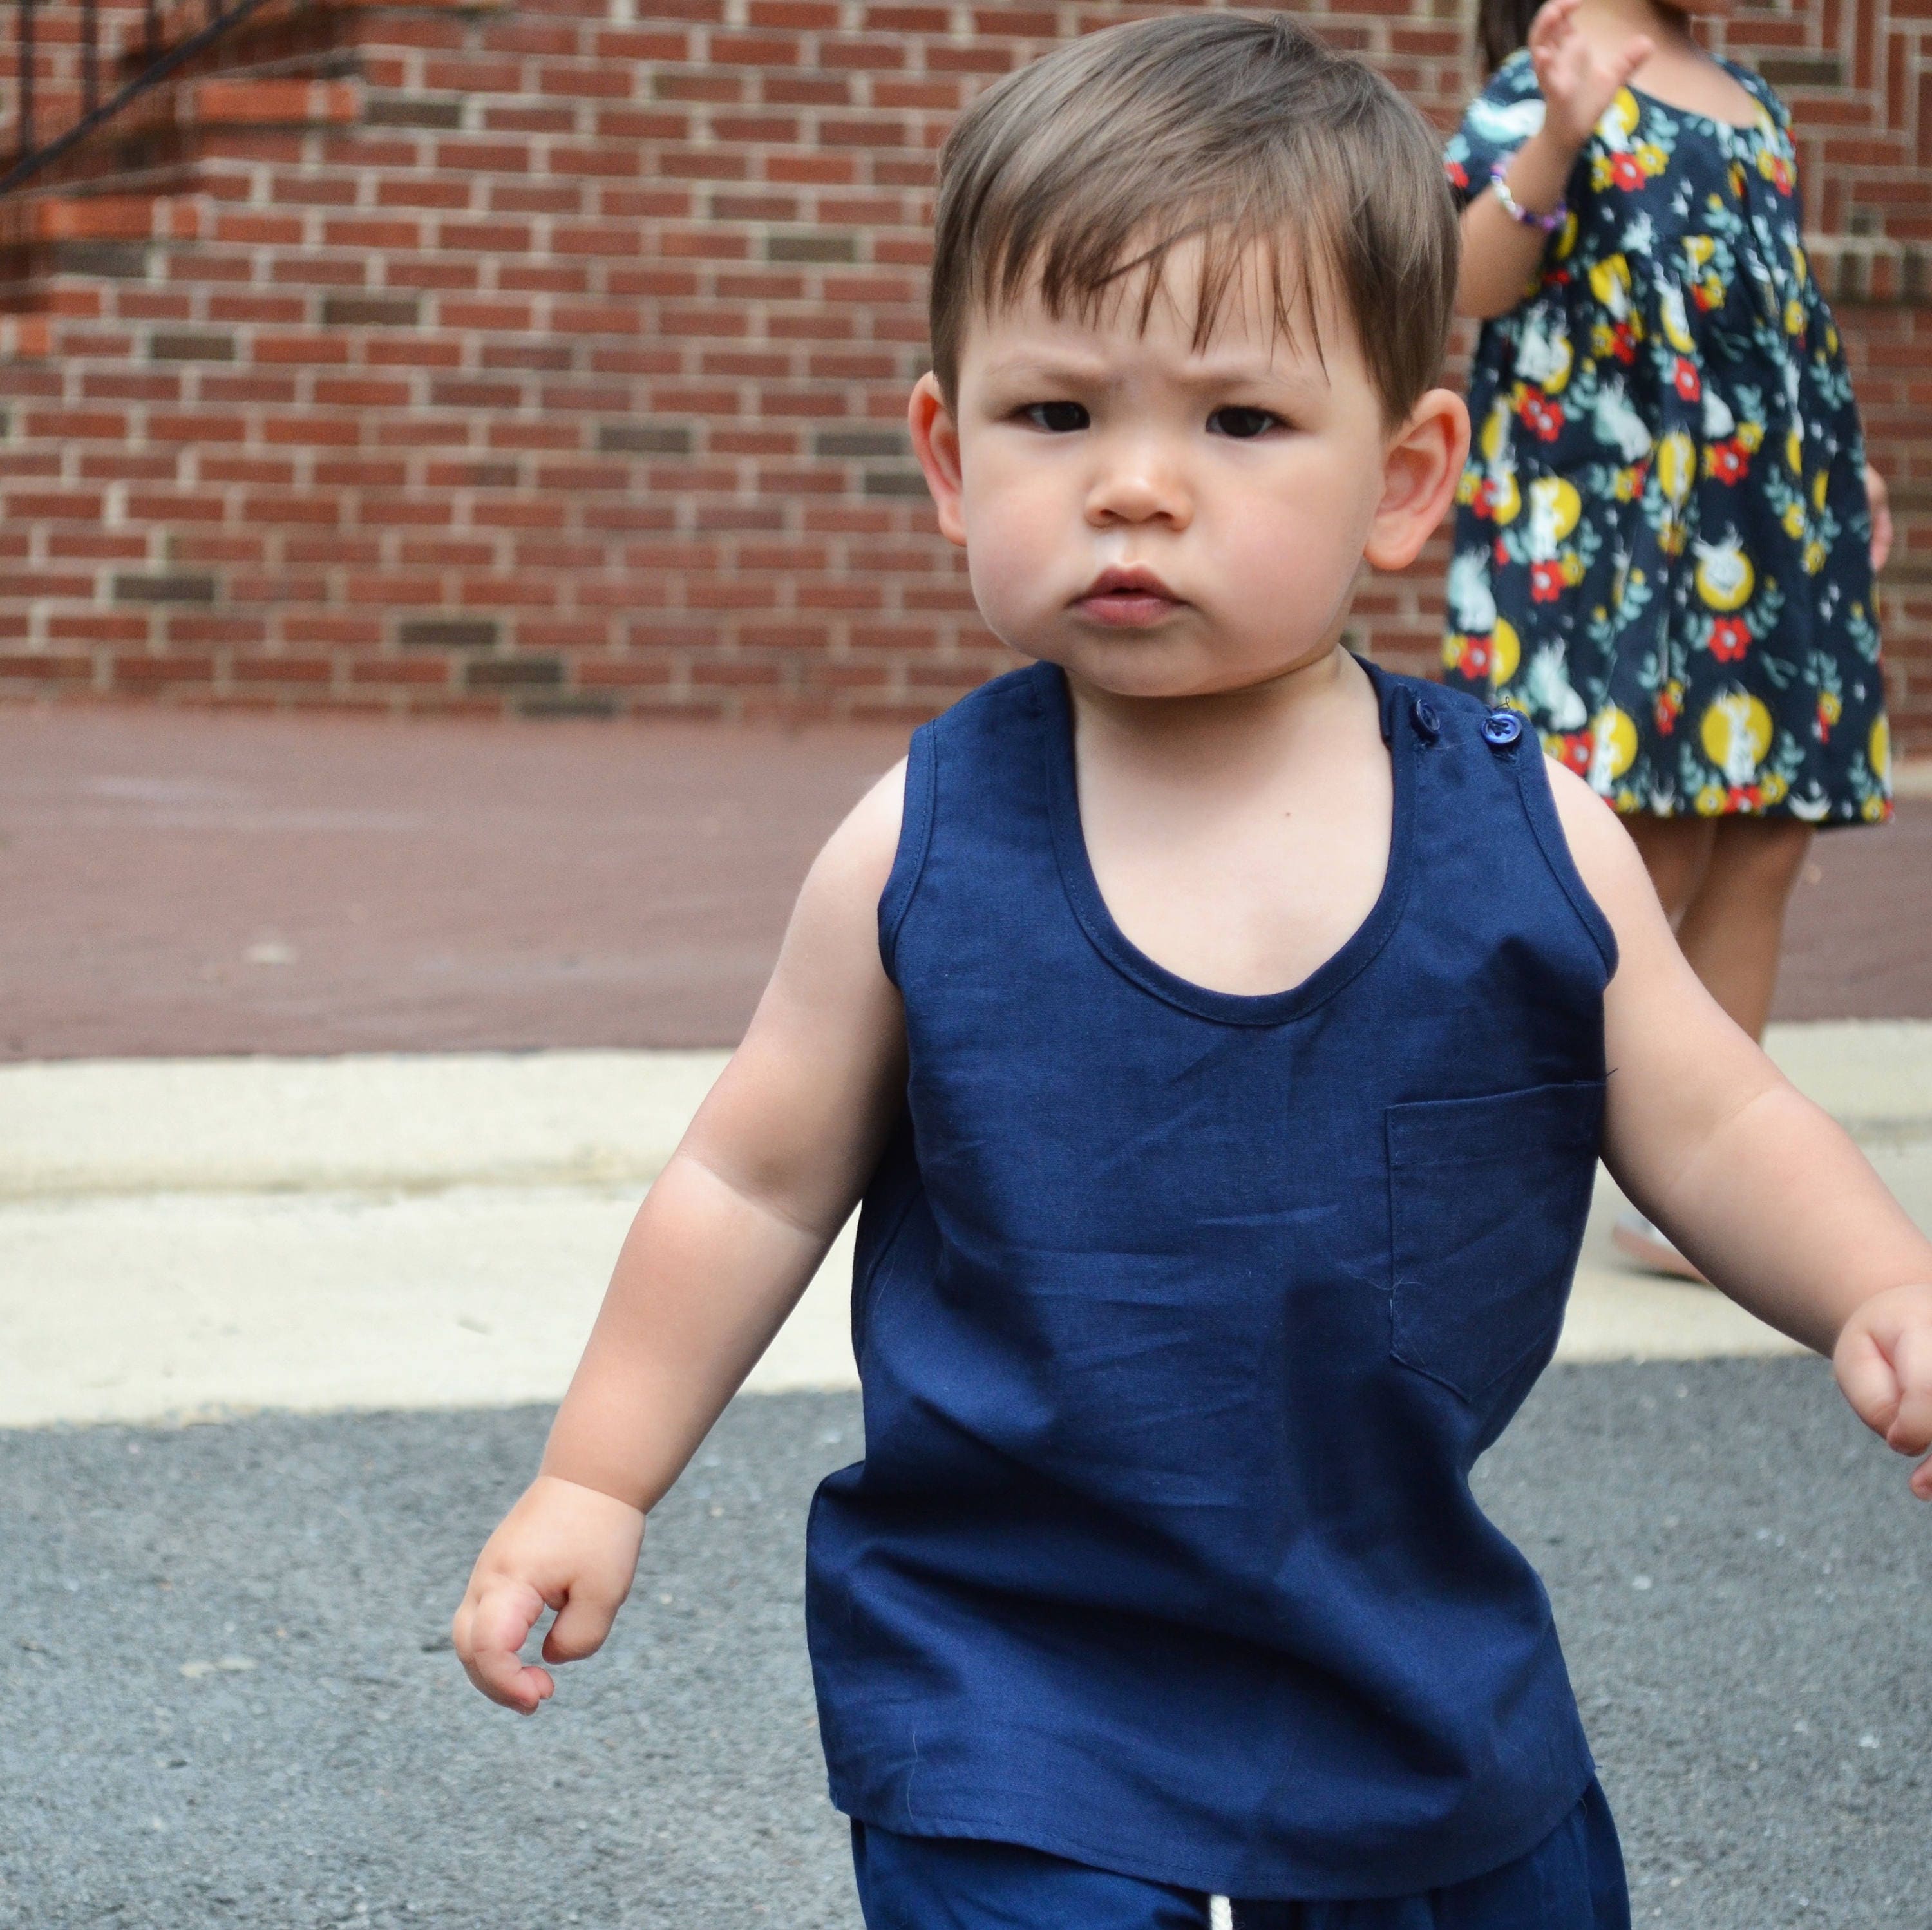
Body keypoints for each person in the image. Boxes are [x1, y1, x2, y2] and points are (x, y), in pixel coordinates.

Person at [453, 17, 1932, 1928]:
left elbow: (1712, 1109)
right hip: (1006, 1665)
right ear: (945, 452)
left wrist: (1875, 1283)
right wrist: (597, 1473)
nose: (1135, 485)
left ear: (1406, 478)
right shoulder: (925, 841)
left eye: (1238, 422)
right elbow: (751, 1172)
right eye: (1058, 416)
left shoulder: (1519, 830)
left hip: (1404, 1644)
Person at [1441, 0, 1896, 1279]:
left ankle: (1704, 1183)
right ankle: (1472, 1131)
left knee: (1764, 825)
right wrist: (1560, 137)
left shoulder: (1749, 96)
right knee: (1626, 832)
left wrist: (1840, 473)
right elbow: (1469, 278)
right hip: (1612, 517)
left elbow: (1778, 318)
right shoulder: (1550, 75)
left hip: (1767, 510)